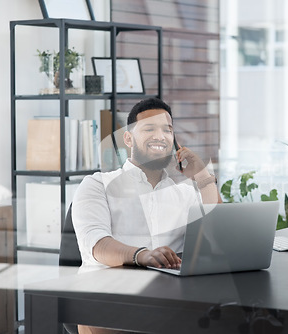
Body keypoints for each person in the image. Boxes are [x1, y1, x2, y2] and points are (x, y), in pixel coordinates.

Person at [71, 98, 221, 333]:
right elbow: (97, 244)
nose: (160, 136)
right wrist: (142, 255)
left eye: (167, 130)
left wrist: (203, 177)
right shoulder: (97, 184)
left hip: (170, 301)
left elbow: (220, 232)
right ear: (128, 138)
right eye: (149, 128)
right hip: (107, 299)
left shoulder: (184, 193)